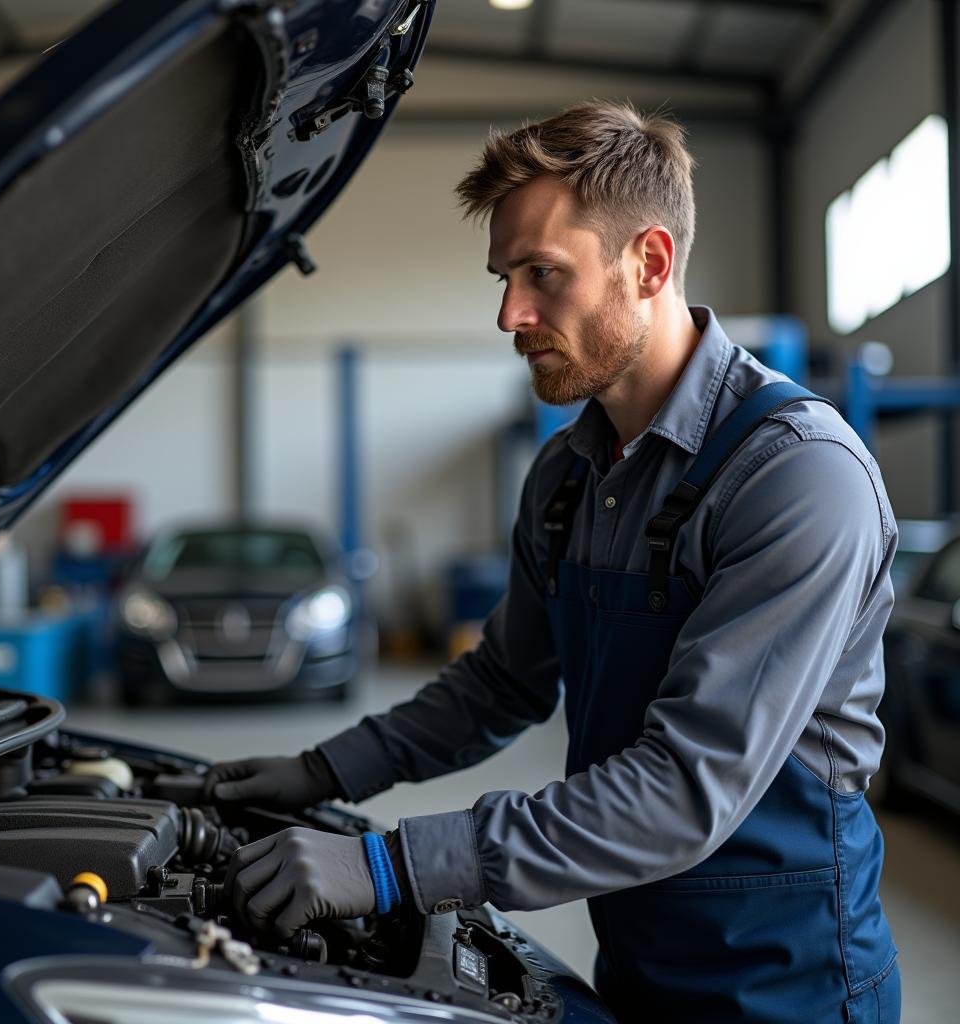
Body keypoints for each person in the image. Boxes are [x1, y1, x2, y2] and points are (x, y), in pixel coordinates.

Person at [204, 101, 901, 1023]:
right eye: (503, 277)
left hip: (791, 981)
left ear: (648, 263)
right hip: (640, 956)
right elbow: (505, 684)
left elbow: (685, 790)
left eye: (543, 275)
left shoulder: (797, 477)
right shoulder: (568, 475)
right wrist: (328, 769)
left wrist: (390, 865)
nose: (510, 314)